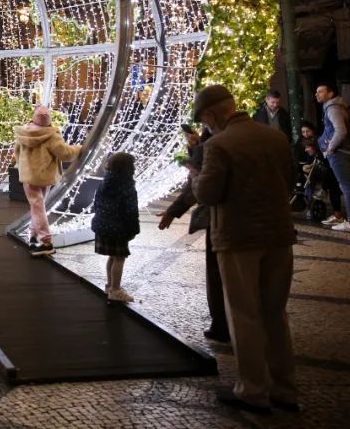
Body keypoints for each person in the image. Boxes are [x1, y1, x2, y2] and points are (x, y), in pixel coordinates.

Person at [191, 84, 298, 415]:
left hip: (238, 239)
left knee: (244, 313)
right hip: (279, 236)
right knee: (275, 313)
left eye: (205, 122)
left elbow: (208, 194)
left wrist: (195, 176)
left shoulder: (219, 144)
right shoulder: (275, 138)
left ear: (210, 115)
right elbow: (290, 181)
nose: (206, 128)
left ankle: (253, 390)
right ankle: (285, 390)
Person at [158, 125, 228, 341]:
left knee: (217, 274)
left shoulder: (211, 146)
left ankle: (222, 325)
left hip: (221, 220)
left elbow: (198, 188)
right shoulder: (251, 138)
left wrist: (173, 211)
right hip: (259, 223)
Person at [12, 105, 82, 257]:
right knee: (39, 206)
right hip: (46, 177)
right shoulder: (52, 135)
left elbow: (16, 153)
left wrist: (22, 167)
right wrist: (79, 148)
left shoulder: (24, 132)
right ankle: (43, 240)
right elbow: (65, 154)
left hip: (29, 176)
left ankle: (39, 237)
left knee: (37, 207)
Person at [91, 152, 141, 303]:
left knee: (112, 256)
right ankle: (115, 290)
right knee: (119, 257)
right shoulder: (127, 187)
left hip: (103, 225)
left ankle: (110, 285)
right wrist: (134, 229)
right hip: (119, 228)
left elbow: (96, 204)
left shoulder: (105, 182)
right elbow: (131, 211)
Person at [315, 82, 350, 232]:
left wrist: (330, 148)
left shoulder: (332, 108)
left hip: (339, 153)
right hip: (349, 151)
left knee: (346, 186)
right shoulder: (341, 107)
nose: (317, 94)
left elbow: (341, 130)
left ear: (330, 94)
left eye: (320, 92)